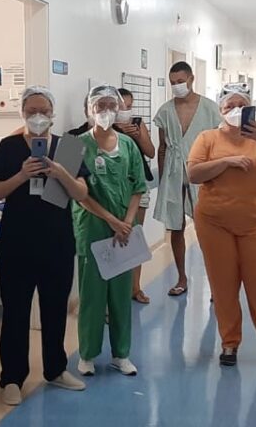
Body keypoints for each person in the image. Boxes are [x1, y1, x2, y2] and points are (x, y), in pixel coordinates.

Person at [0, 86, 90, 406]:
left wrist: (58, 171)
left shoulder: (69, 148)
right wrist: (21, 174)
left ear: (53, 113)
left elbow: (81, 193)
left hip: (57, 242)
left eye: (43, 110)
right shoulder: (6, 146)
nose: (38, 116)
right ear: (22, 113)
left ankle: (56, 369)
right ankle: (12, 378)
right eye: (31, 111)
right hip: (16, 244)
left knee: (54, 310)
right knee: (15, 313)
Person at [187, 83, 256, 371]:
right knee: (223, 284)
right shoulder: (207, 138)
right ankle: (229, 342)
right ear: (220, 110)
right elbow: (193, 173)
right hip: (214, 222)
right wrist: (225, 162)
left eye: (241, 105)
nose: (235, 110)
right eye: (229, 106)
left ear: (251, 108)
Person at [72, 85, 148, 377]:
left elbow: (137, 187)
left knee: (120, 294)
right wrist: (112, 221)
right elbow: (75, 193)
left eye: (110, 105)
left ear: (118, 109)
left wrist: (126, 222)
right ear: (88, 110)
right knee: (91, 294)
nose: (105, 111)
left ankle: (121, 354)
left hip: (124, 232)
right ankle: (87, 355)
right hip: (92, 227)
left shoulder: (129, 144)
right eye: (98, 105)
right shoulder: (73, 145)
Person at [153, 62, 222, 297]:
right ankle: (182, 277)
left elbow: (218, 147)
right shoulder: (164, 111)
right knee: (176, 227)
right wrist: (163, 180)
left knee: (207, 230)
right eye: (173, 83)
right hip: (173, 175)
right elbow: (162, 148)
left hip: (201, 173)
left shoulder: (211, 109)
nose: (177, 86)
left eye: (180, 81)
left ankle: (215, 281)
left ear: (191, 79)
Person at [116, 88, 156, 304]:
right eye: (121, 107)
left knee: (135, 237)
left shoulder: (137, 124)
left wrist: (138, 136)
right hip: (113, 193)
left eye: (129, 107)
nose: (125, 111)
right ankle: (112, 295)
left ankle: (135, 288)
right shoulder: (90, 135)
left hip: (137, 187)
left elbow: (150, 152)